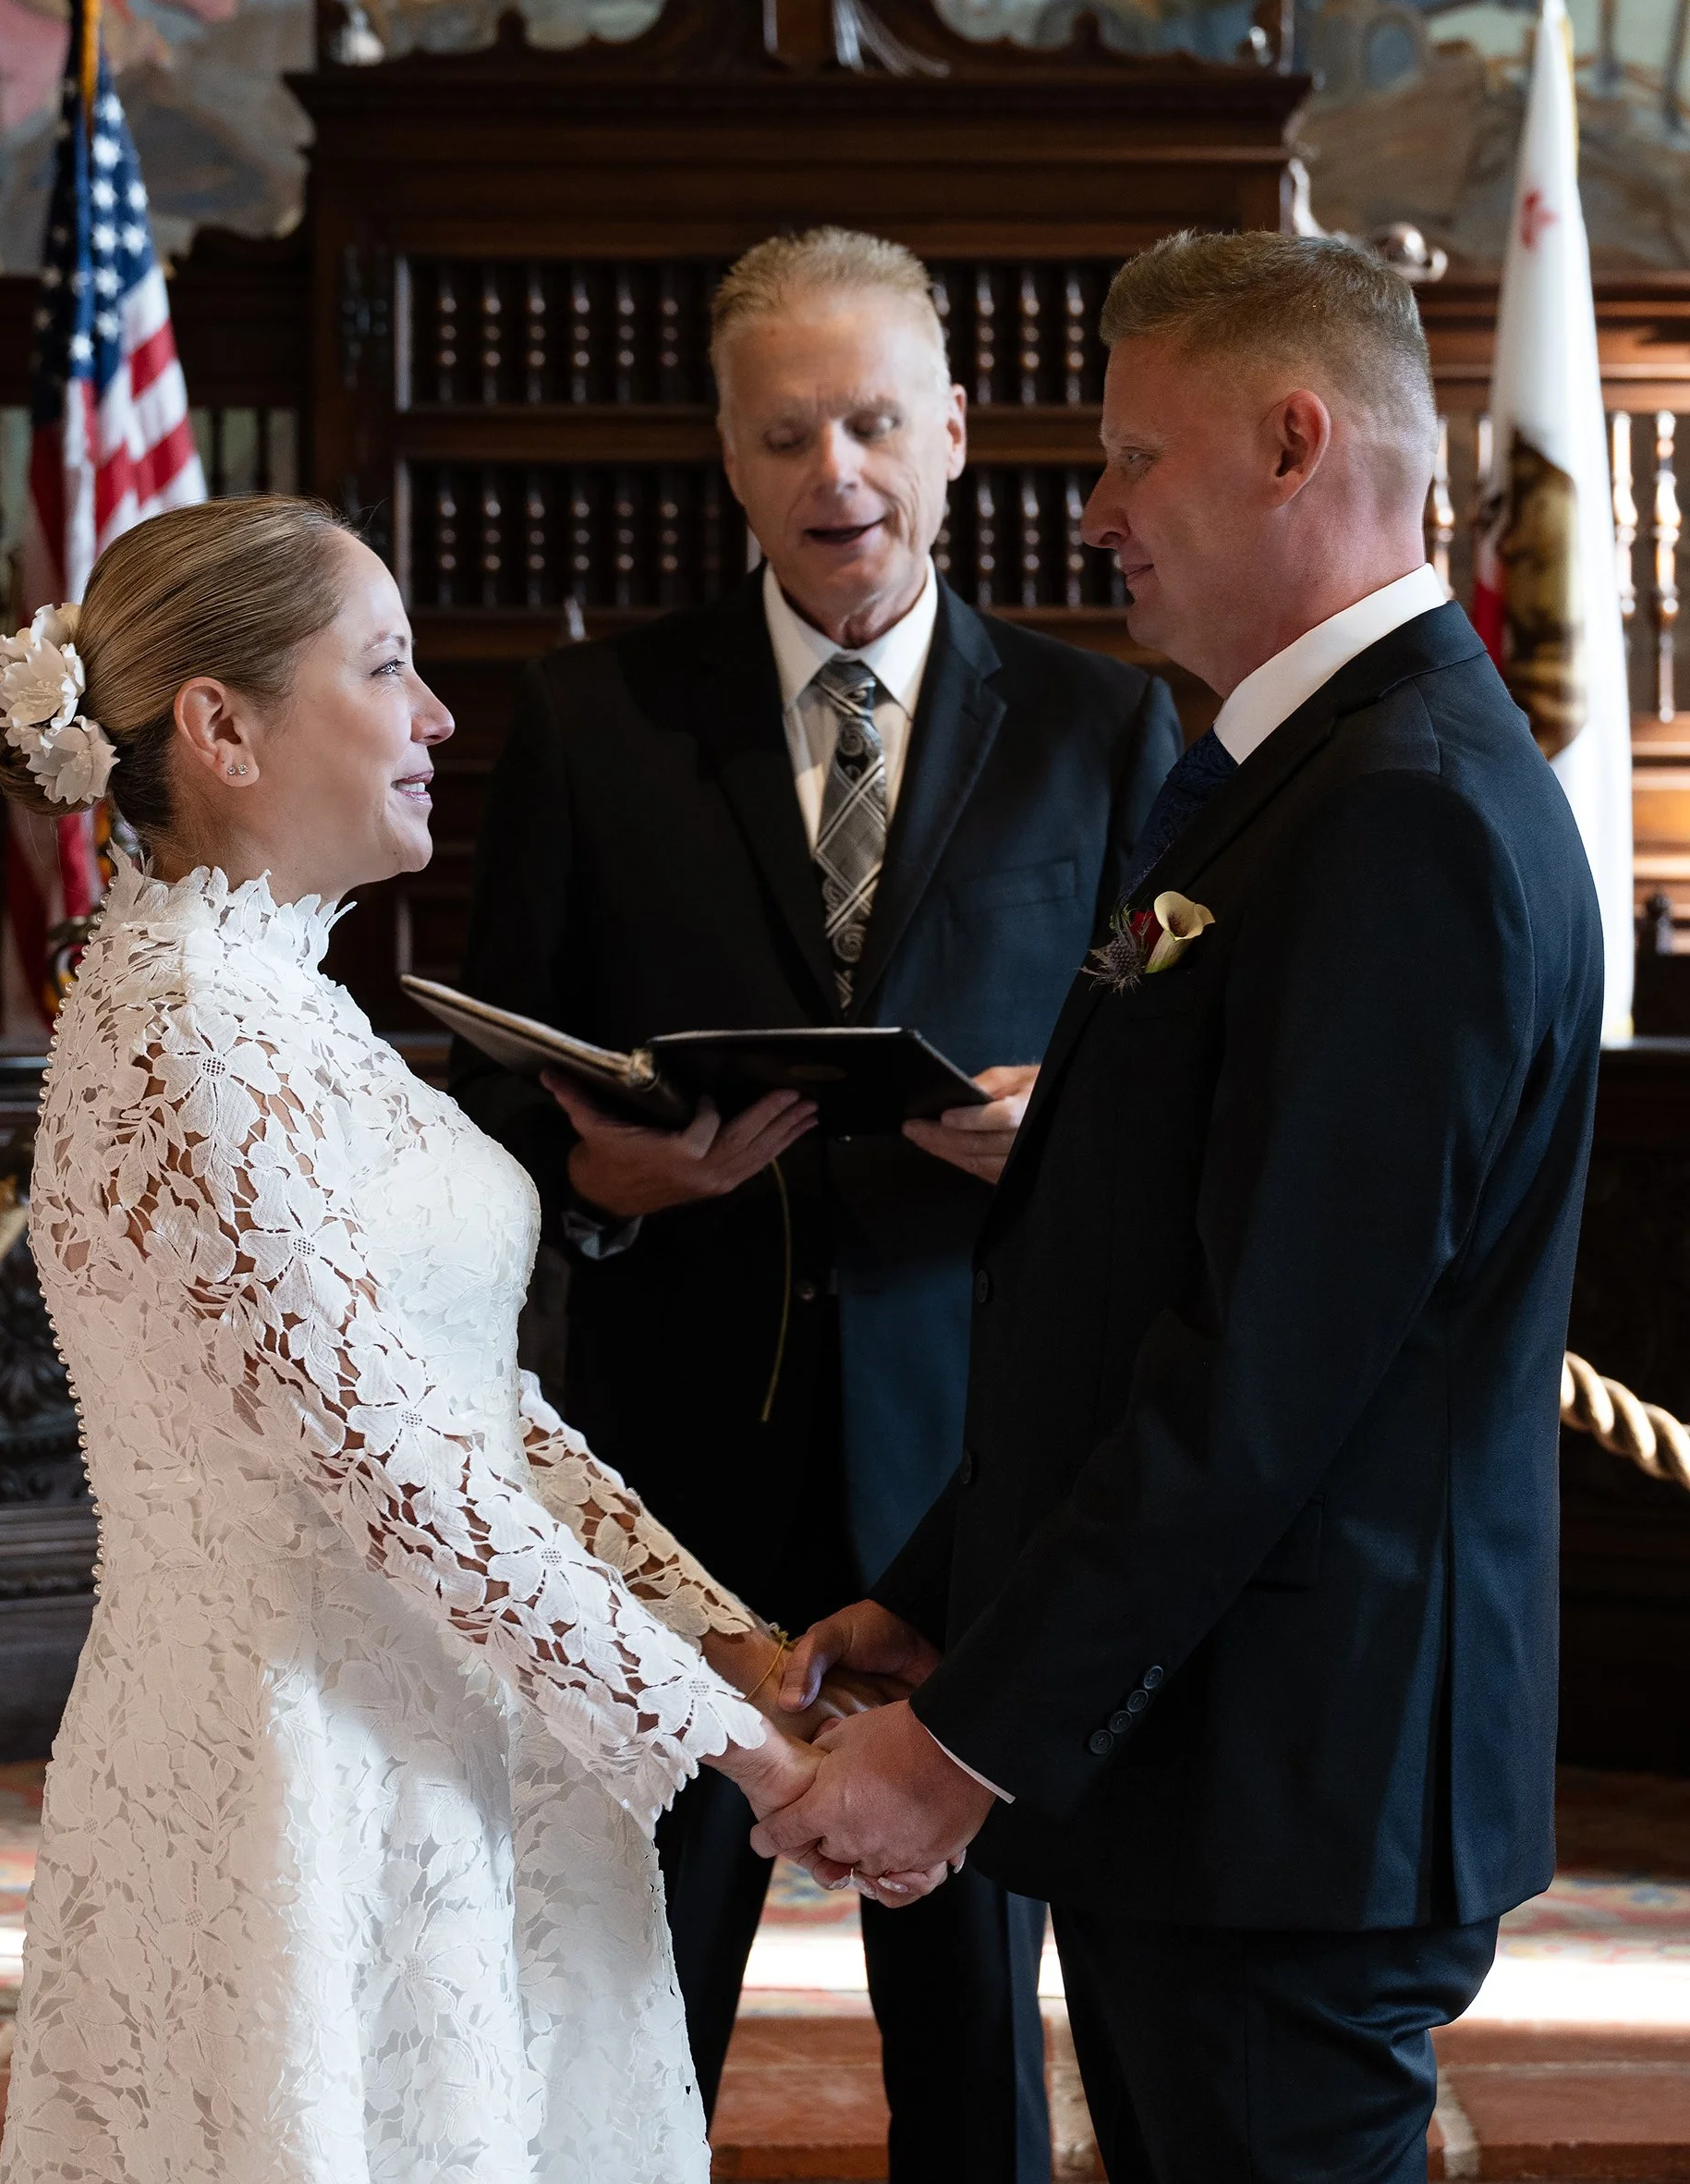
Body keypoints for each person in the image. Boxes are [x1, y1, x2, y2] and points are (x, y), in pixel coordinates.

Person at [753, 231, 1606, 2183]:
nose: (1094, 508)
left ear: (1291, 441)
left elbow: (1264, 1374)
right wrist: (942, 1600)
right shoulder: (1293, 772)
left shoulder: (1400, 812)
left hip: (1294, 1777)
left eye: (1133, 453)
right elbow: (1132, 1275)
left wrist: (961, 1743)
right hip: (1208, 1762)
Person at [0, 495, 931, 2184]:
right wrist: (760, 1761)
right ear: (221, 726)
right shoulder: (188, 1031)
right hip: (295, 1777)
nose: (436, 716)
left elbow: (483, 1411)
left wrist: (733, 1641)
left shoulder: (291, 1004)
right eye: (387, 665)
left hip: (440, 1732)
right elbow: (405, 1476)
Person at [452, 226, 1181, 2182]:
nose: (834, 471)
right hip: (677, 1463)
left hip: (977, 1465)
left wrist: (1069, 1135)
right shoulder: (601, 720)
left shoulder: (1109, 732)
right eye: (786, 433)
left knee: (969, 2028)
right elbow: (486, 1100)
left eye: (871, 422)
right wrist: (597, 1183)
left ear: (952, 435)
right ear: (728, 452)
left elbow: (1185, 1098)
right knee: (635, 1991)